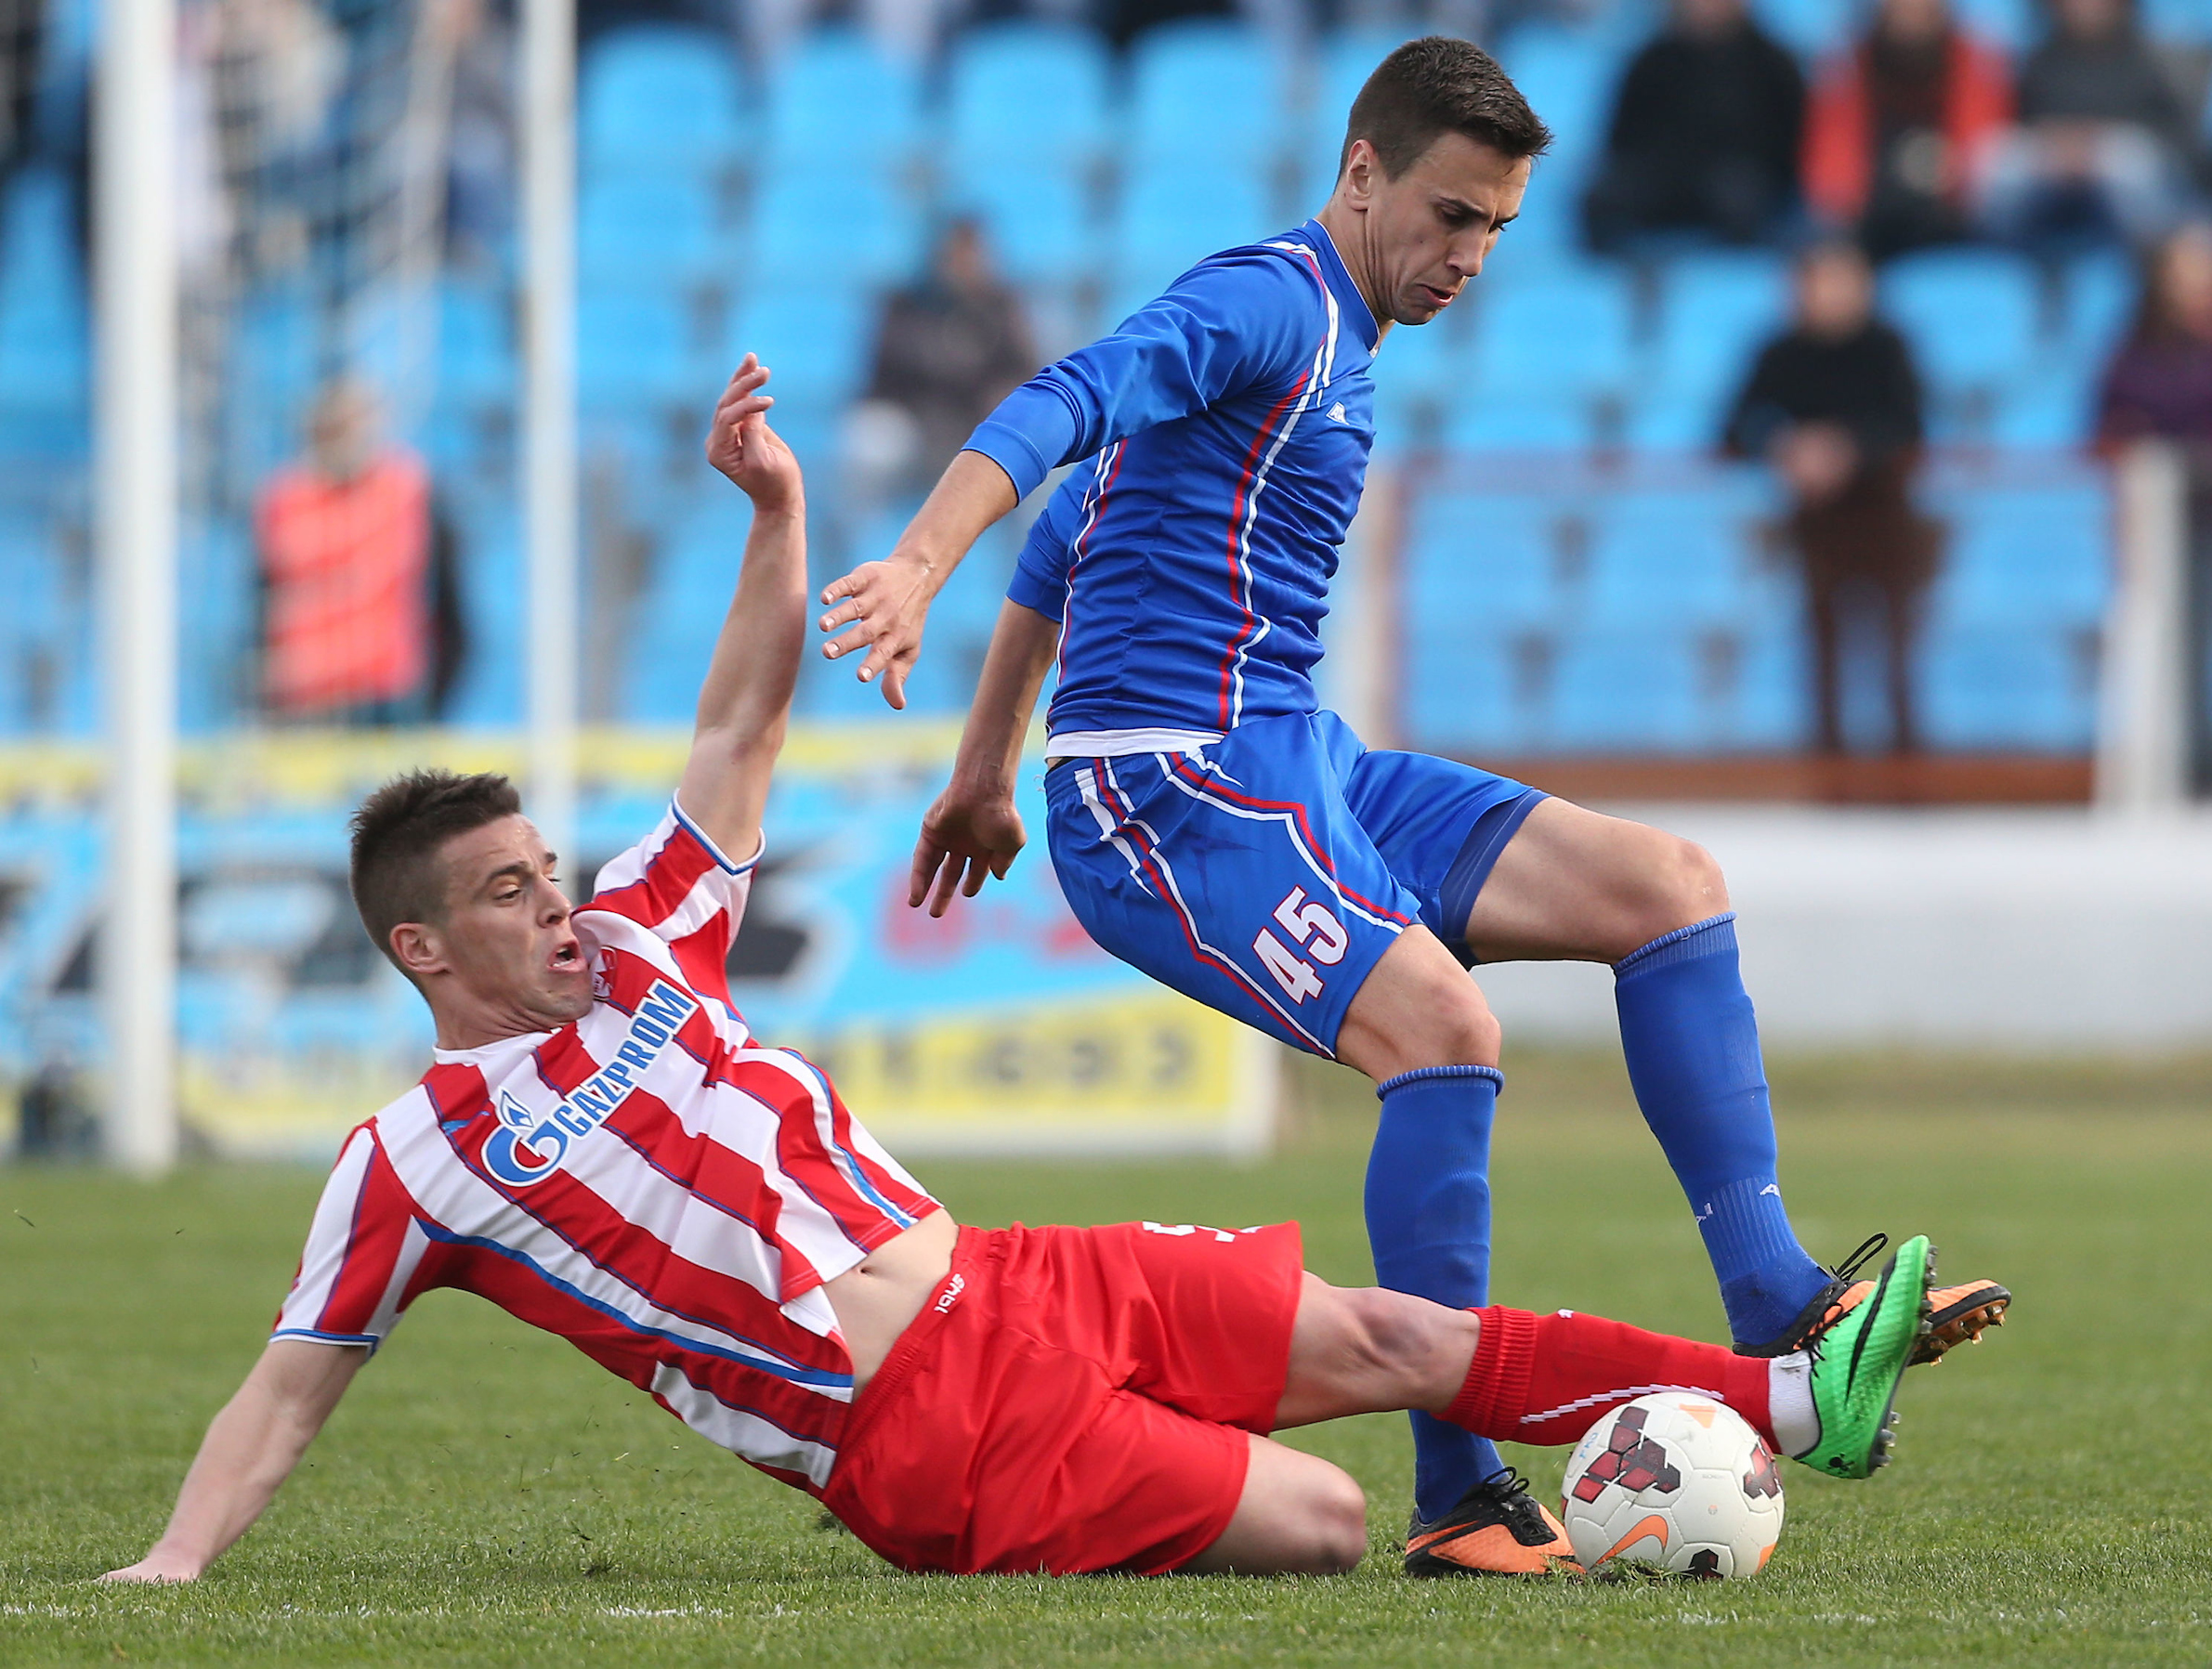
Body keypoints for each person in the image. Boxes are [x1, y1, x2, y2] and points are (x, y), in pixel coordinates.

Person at [98, 357, 1959, 1585]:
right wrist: (172, 1567)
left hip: (1008, 1275)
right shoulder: (412, 1155)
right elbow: (289, 1386)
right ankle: (1257, 1471)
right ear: (424, 947)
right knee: (1312, 1521)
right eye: (512, 895)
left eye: (552, 873)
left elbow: (740, 724)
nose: (564, 907)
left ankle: (1797, 1399)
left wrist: (776, 510)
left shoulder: (653, 935)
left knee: (1393, 1338)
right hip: (919, 1427)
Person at [813, 37, 2009, 1575]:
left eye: (1498, 229)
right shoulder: (1268, 302)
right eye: (1450, 215)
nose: (1470, 257)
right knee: (1445, 1031)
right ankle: (1459, 1493)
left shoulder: (1335, 342)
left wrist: (980, 772)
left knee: (1668, 885)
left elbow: (1075, 529)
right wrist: (917, 564)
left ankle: (1779, 1295)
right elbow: (1071, 401)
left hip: (1299, 759)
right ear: (1361, 172)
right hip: (1163, 791)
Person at [1723, 241, 1936, 757]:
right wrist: (1785, 448)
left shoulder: (1888, 347)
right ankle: (1829, 770)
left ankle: (1906, 770)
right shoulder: (1779, 351)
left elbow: (1910, 427)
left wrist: (1846, 450)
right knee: (1821, 648)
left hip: (1885, 520)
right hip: (1815, 526)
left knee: (1896, 650)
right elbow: (1732, 431)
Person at [2097, 219, 2212, 795]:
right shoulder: (2136, 350)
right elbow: (2110, 421)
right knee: (2179, 634)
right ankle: (2190, 759)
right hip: (2166, 517)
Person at [255, 378, 465, 725]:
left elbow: (451, 609)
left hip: (387, 700)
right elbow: (263, 600)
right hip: (301, 701)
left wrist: (433, 705)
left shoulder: (410, 494)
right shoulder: (283, 500)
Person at [1583, 0, 1807, 254]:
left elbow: (1791, 149)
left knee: (1741, 197)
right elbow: (1620, 142)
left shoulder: (1774, 65)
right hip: (1664, 180)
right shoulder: (1650, 62)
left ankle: (1735, 276)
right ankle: (1618, 272)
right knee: (1602, 199)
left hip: (1734, 185)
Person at [1802, 0, 2012, 264]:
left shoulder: (1974, 62)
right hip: (1872, 216)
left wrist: (1958, 182)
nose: (1910, 10)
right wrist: (1844, 207)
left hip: (1956, 214)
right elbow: (1832, 163)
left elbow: (1985, 150)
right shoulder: (1848, 66)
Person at [1977, 0, 2192, 254]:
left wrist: (2095, 145)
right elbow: (2025, 121)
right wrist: (2062, 146)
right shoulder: (2041, 60)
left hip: (2128, 186)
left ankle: (2151, 257)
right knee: (2002, 158)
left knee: (2127, 159)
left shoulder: (2151, 57)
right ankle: (2001, 254)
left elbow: (2176, 141)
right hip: (2054, 174)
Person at [849, 216, 1037, 506]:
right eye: (955, 255)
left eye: (972, 254)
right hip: (913, 420)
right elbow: (881, 376)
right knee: (871, 442)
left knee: (1035, 447)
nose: (964, 264)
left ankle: (1039, 547)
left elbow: (1025, 373)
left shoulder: (1003, 308)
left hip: (980, 424)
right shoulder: (905, 305)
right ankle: (850, 543)